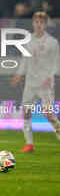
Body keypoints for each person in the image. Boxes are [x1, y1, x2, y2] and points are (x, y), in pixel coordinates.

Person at [11, 11, 60, 153]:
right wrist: (19, 74)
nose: (38, 25)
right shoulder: (27, 41)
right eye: (36, 22)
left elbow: (56, 62)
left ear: (45, 24)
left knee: (48, 114)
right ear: (33, 23)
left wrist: (51, 76)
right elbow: (24, 61)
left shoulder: (52, 42)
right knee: (26, 113)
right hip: (30, 84)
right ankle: (29, 143)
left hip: (45, 84)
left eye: (41, 22)